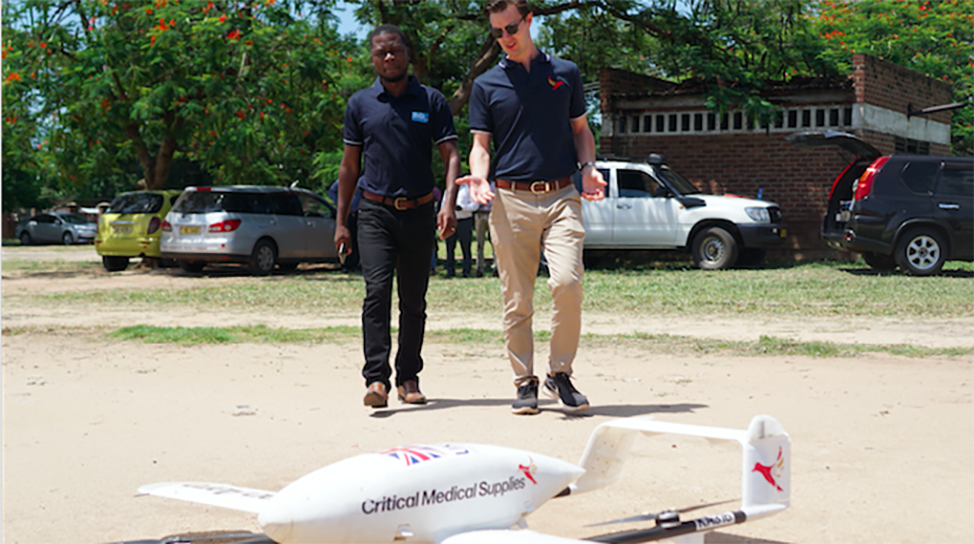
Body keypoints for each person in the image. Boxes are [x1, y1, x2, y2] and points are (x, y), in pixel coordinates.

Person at [458, 0, 606, 415]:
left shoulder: (565, 73)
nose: (505, 38)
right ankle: (525, 382)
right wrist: (480, 177)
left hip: (562, 196)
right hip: (510, 200)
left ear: (529, 21)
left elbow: (582, 131)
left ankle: (561, 374)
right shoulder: (487, 84)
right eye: (498, 32)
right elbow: (480, 146)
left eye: (511, 28)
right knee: (517, 298)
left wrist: (589, 168)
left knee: (567, 283)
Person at [335, 24, 461, 409]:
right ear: (372, 59)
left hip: (421, 213)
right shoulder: (360, 104)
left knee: (413, 300)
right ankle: (376, 380)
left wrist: (448, 202)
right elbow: (349, 167)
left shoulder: (431, 100)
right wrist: (342, 221)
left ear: (407, 53)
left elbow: (452, 155)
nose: (388, 57)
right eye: (380, 52)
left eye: (394, 50)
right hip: (374, 213)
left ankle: (409, 377)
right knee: (376, 293)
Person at [444, 183, 478, 278]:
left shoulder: (468, 189)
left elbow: (475, 205)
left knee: (466, 247)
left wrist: (462, 208)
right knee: (450, 247)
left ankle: (466, 271)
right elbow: (443, 204)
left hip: (464, 220)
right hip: (451, 221)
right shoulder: (448, 189)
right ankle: (450, 271)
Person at [328, 180, 361, 272]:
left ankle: (355, 264)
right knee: (347, 239)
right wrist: (342, 205)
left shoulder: (365, 179)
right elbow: (331, 192)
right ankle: (346, 264)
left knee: (358, 240)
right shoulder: (345, 179)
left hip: (361, 213)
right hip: (349, 214)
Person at [473, 181, 496, 277]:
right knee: (479, 243)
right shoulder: (478, 185)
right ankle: (479, 268)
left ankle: (496, 268)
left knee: (495, 243)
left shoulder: (495, 185)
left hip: (493, 213)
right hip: (480, 213)